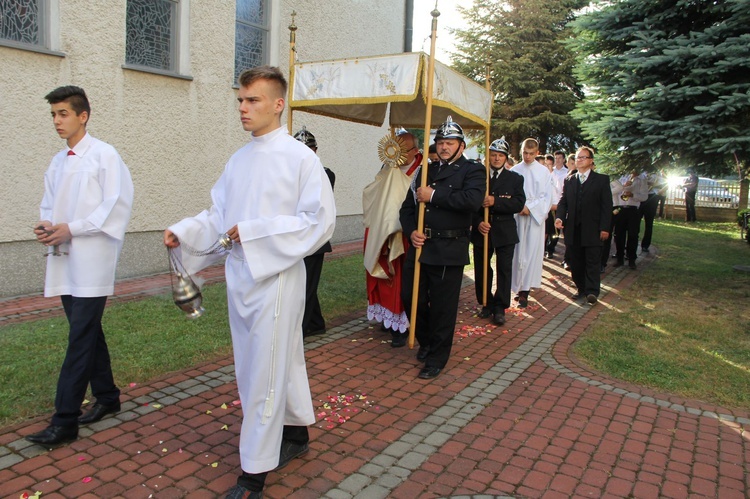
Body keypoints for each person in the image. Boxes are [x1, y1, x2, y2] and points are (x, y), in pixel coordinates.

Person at [163, 66, 335, 499]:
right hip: (240, 275)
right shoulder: (239, 160)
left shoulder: (300, 158)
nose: (243, 107)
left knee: (264, 369)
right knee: (276, 360)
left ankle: (254, 472)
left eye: (252, 100)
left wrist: (256, 231)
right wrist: (184, 232)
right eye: (240, 99)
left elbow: (319, 221)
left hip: (276, 278)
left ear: (278, 104)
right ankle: (296, 432)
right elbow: (218, 216)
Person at [26, 86, 134, 446]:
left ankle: (65, 419)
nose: (57, 121)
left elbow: (114, 206)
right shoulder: (58, 161)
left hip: (92, 260)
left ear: (82, 115)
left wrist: (70, 229)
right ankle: (108, 397)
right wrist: (45, 226)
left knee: (79, 339)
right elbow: (48, 203)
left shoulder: (105, 155)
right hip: (63, 259)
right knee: (87, 331)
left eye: (63, 114)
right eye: (53, 114)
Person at [399, 116, 485, 379]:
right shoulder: (426, 171)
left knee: (442, 306)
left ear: (461, 145)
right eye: (440, 142)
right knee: (409, 297)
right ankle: (427, 341)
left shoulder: (473, 170)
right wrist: (411, 230)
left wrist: (434, 195)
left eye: (450, 142)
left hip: (449, 247)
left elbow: (471, 201)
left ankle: (437, 356)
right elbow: (407, 208)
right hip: (421, 246)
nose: (444, 147)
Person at [363, 129, 422, 343]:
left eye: (402, 150)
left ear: (415, 151)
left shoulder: (423, 170)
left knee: (401, 279)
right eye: (394, 148)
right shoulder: (387, 166)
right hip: (381, 229)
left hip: (404, 233)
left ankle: (402, 323)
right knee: (382, 276)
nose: (397, 154)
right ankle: (387, 316)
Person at [471, 137, 525, 325]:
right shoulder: (479, 177)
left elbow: (519, 203)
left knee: (504, 269)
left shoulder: (515, 178)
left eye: (500, 155)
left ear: (506, 158)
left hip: (504, 229)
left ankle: (500, 306)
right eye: (493, 155)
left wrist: (496, 201)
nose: (496, 159)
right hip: (482, 229)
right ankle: (486, 302)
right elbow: (469, 204)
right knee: (482, 268)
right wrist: (478, 221)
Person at [555, 147, 612, 305]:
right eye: (577, 158)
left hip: (593, 229)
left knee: (592, 261)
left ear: (591, 160)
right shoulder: (570, 180)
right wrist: (559, 217)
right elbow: (563, 202)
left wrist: (605, 228)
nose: (579, 160)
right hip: (573, 229)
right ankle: (581, 288)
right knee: (576, 261)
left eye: (583, 157)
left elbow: (606, 206)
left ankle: (592, 292)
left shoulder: (601, 180)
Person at [295, 127, 336, 337]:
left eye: (308, 149)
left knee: (305, 287)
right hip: (295, 237)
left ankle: (300, 330)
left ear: (315, 150)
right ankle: (316, 323)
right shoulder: (289, 173)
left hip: (314, 238)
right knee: (303, 283)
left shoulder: (325, 173)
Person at [510, 138, 555, 308]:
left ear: (537, 153)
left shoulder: (543, 172)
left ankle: (525, 290)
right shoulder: (514, 170)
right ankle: (517, 287)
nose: (527, 157)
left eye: (530, 154)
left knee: (530, 252)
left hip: (534, 217)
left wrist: (530, 208)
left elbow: (547, 197)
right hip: (517, 216)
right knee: (516, 251)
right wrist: (518, 206)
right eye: (524, 153)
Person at [610, 169, 648, 269]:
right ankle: (619, 259)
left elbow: (644, 197)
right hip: (620, 208)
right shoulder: (620, 177)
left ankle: (632, 259)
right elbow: (614, 191)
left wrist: (632, 195)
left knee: (633, 235)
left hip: (633, 209)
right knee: (619, 235)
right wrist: (623, 188)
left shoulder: (641, 180)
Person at [545, 150, 568, 259]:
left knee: (556, 229)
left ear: (563, 159)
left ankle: (551, 247)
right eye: (556, 157)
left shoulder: (567, 172)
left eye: (560, 158)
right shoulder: (549, 171)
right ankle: (545, 249)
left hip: (560, 203)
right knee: (547, 227)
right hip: (549, 203)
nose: (557, 160)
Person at [638, 170, 666, 253]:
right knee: (635, 221)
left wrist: (653, 185)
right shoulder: (641, 172)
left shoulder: (657, 173)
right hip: (641, 197)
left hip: (652, 197)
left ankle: (645, 245)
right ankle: (633, 243)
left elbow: (664, 185)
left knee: (649, 223)